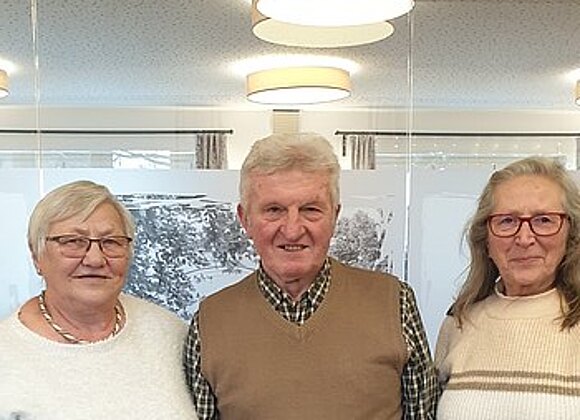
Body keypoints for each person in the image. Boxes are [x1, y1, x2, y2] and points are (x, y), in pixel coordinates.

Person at [184, 132, 438, 420]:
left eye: (310, 210)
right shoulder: (209, 322)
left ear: (334, 217)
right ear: (245, 219)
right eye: (274, 210)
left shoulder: (395, 302)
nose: (292, 230)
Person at [0, 180, 198, 419]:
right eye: (73, 241)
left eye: (111, 242)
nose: (95, 259)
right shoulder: (7, 353)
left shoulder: (169, 333)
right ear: (36, 255)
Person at [435, 157, 580, 419]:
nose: (524, 238)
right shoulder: (458, 323)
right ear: (486, 239)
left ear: (571, 235)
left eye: (544, 220)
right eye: (507, 221)